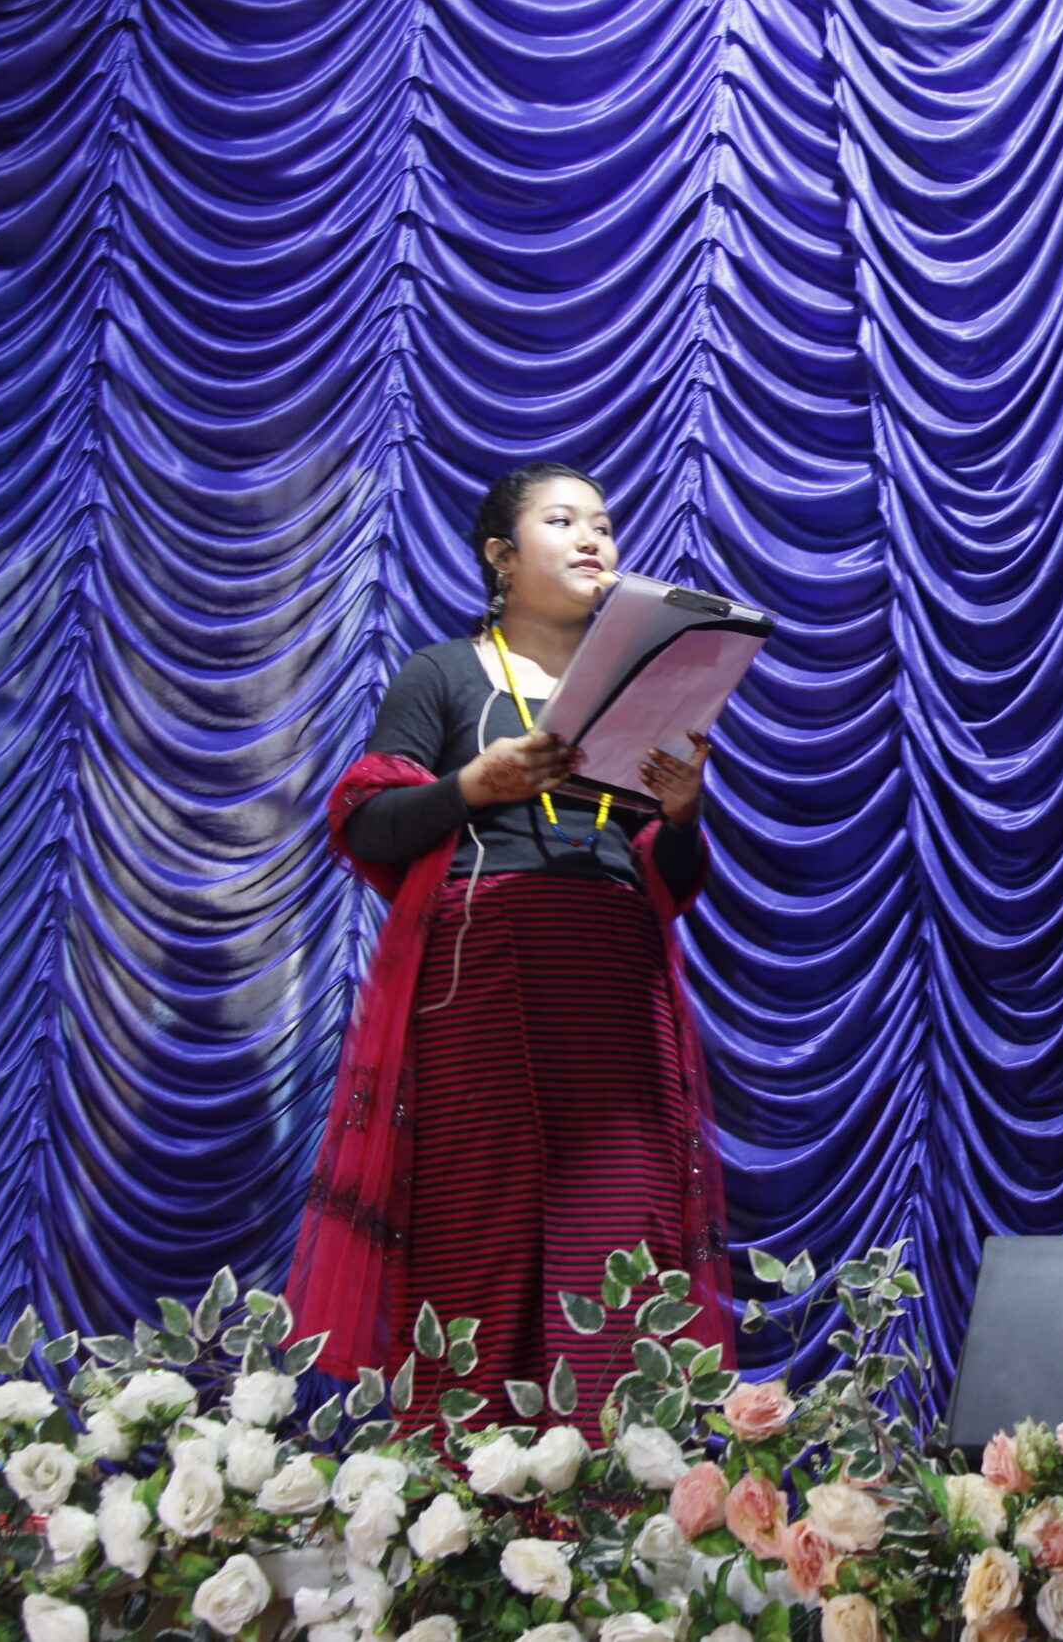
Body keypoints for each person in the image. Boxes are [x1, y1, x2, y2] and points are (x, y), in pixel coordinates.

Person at [287, 461, 736, 1415]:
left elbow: (668, 878)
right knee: (477, 1224)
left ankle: (614, 1475)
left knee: (624, 1233)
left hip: (615, 985)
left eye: (603, 525)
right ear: (501, 555)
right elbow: (367, 824)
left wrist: (684, 812)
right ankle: (465, 1471)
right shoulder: (444, 673)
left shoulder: (643, 690)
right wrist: (471, 787)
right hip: (480, 980)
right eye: (562, 521)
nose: (592, 540)